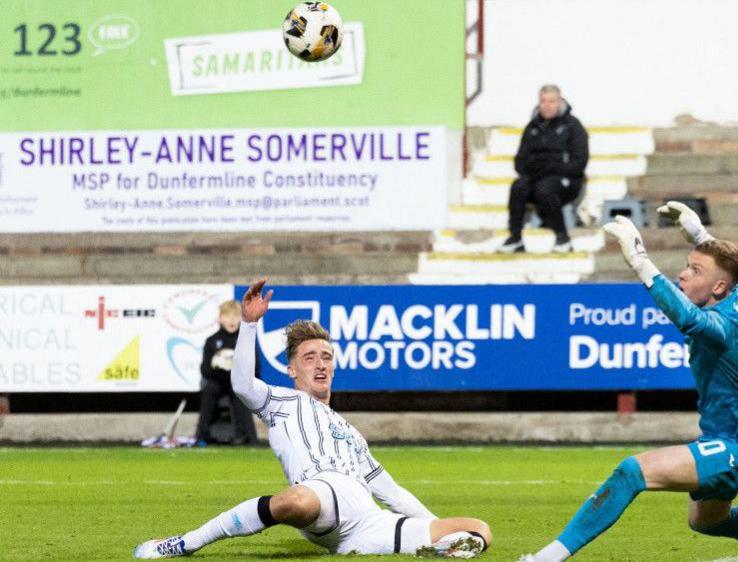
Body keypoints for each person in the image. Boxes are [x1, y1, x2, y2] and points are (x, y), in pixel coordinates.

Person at [519, 202, 738, 561]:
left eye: (695, 269)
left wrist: (641, 262)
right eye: (687, 265)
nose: (683, 275)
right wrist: (700, 234)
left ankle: (544, 558)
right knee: (707, 522)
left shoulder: (724, 325)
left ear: (719, 286)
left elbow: (688, 319)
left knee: (632, 472)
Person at [135, 280, 492, 559]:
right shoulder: (283, 402)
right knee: (295, 503)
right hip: (320, 495)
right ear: (290, 369)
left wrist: (431, 525)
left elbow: (393, 493)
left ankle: (425, 549)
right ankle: (183, 544)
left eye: (326, 356)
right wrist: (248, 325)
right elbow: (242, 384)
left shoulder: (353, 434)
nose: (320, 363)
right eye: (309, 357)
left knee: (479, 530)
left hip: (368, 524)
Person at [497, 84, 589, 254]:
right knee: (518, 186)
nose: (547, 106)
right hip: (537, 177)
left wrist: (552, 168)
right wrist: (534, 169)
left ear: (560, 102)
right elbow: (519, 162)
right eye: (543, 101)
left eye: (551, 101)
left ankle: (562, 237)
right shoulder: (532, 127)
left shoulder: (573, 126)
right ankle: (515, 238)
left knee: (545, 189)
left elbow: (579, 163)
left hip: (567, 180)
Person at [194, 300, 258, 445]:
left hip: (239, 383)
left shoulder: (246, 341)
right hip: (217, 381)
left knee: (240, 392)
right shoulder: (211, 341)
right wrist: (222, 369)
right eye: (227, 316)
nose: (232, 320)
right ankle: (201, 436)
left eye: (236, 316)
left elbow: (255, 369)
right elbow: (205, 370)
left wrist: (237, 372)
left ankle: (246, 437)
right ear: (220, 318)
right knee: (209, 389)